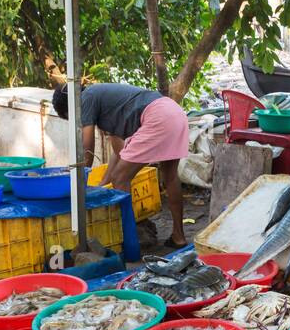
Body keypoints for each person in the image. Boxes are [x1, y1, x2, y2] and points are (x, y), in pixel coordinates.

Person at [52, 82, 189, 247]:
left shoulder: (85, 98)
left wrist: (81, 180)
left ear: (70, 108)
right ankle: (178, 237)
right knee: (170, 176)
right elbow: (121, 153)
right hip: (174, 112)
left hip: (157, 117)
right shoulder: (106, 102)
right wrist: (103, 183)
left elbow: (87, 146)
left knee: (121, 179)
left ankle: (130, 241)